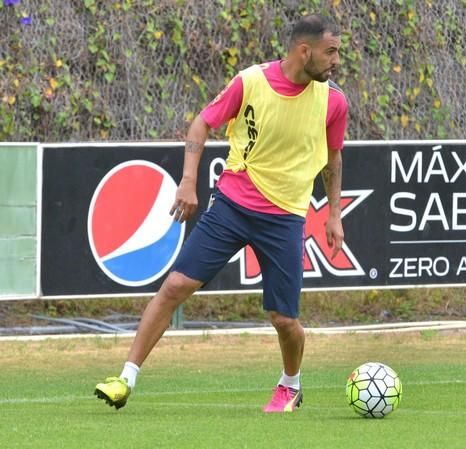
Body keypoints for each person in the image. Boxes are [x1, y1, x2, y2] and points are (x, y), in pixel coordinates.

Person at [94, 13, 348, 413]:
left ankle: (290, 385)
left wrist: (334, 213)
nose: (336, 60)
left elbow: (333, 158)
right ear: (305, 50)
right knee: (176, 286)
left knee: (284, 319)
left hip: (285, 217)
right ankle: (125, 378)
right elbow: (201, 124)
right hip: (232, 204)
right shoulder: (250, 82)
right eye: (330, 52)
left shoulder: (333, 101)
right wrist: (188, 181)